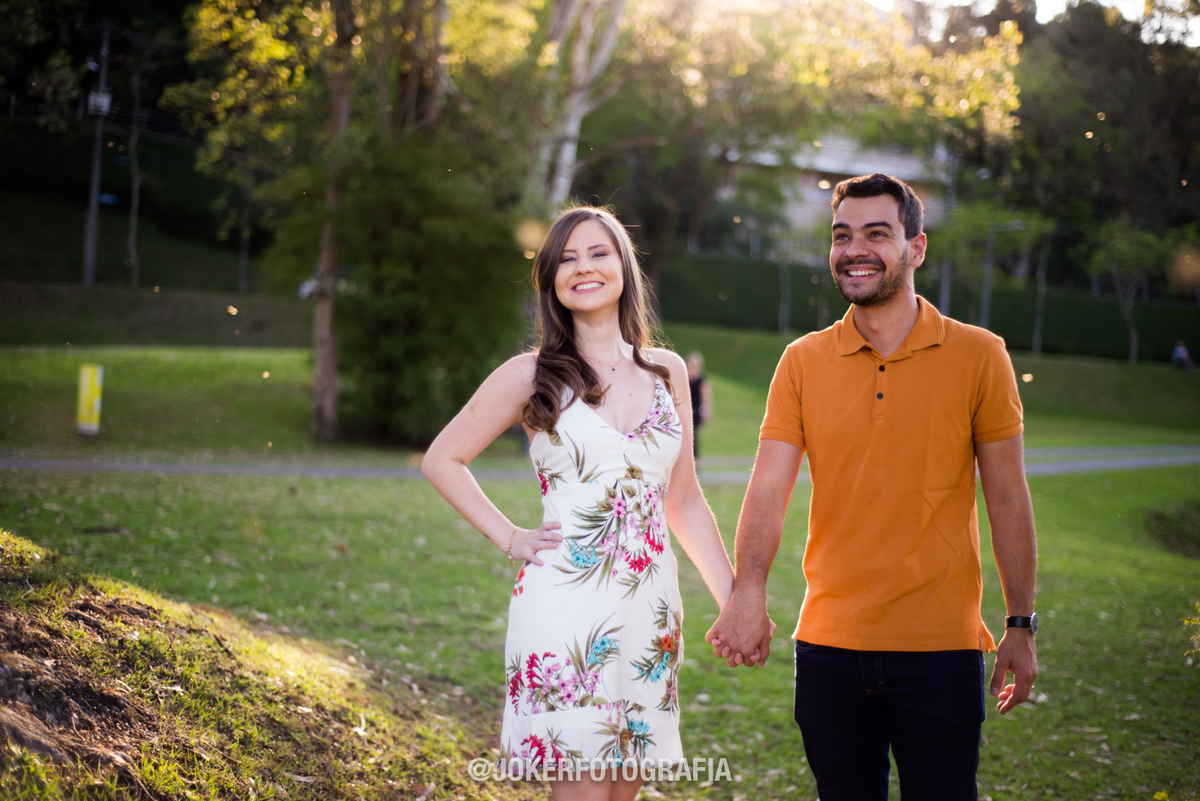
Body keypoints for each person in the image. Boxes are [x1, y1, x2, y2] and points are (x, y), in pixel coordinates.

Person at [706, 173, 1038, 800]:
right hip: (830, 645)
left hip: (941, 648)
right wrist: (747, 592)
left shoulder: (980, 354)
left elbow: (1007, 497)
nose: (854, 249)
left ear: (916, 248)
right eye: (841, 236)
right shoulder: (801, 360)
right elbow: (768, 489)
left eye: (876, 234)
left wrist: (1020, 621)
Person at [422, 206, 739, 801]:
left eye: (598, 252)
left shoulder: (667, 371)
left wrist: (734, 601)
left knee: (624, 792)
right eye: (566, 258)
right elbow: (443, 458)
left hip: (651, 612)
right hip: (565, 610)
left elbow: (685, 500)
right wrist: (510, 537)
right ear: (550, 280)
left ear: (624, 265)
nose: (583, 267)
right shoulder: (530, 375)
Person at [685, 352, 713, 459]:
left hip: (696, 411)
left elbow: (705, 396)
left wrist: (705, 411)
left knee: (693, 435)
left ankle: (694, 459)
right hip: (687, 411)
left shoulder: (700, 380)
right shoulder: (686, 379)